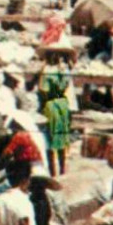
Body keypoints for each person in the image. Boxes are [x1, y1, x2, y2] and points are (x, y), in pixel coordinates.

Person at [37, 41, 75, 176]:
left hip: (55, 105)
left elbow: (46, 90)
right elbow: (59, 86)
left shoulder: (52, 70)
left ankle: (57, 171)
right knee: (57, 140)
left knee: (55, 141)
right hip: (57, 105)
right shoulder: (57, 70)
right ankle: (58, 170)